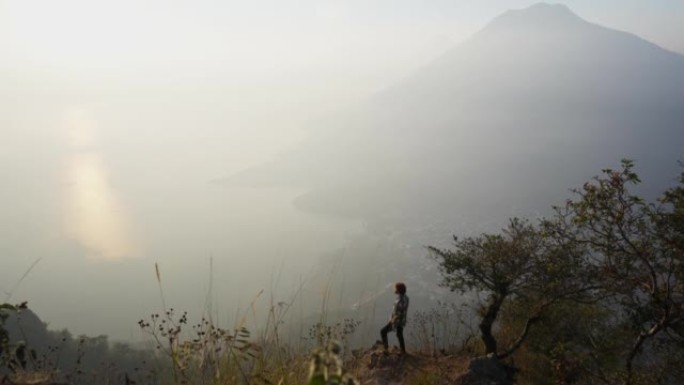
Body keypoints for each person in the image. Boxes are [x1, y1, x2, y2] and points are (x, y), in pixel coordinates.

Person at [380, 282, 409, 354]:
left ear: (399, 290)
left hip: (396, 321)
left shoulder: (400, 300)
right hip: (402, 320)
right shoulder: (406, 298)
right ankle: (403, 351)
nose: (394, 290)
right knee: (399, 335)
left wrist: (392, 321)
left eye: (396, 289)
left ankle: (386, 349)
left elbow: (397, 312)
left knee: (383, 331)